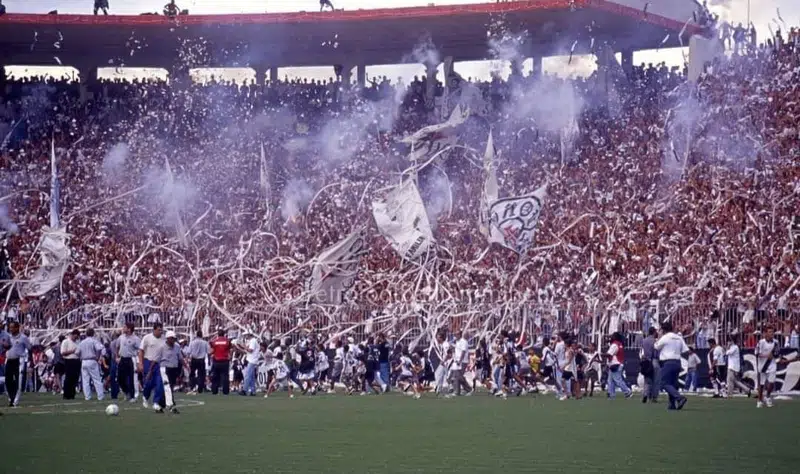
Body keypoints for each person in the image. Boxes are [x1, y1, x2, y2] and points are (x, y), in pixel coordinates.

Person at [654, 321, 689, 411]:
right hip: (677, 361)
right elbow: (685, 350)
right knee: (672, 384)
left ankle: (679, 398)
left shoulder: (665, 338)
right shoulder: (679, 337)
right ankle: (672, 404)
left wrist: (659, 336)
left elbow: (656, 347)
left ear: (664, 330)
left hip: (667, 362)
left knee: (664, 383)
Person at [139, 322, 167, 413]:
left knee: (159, 383)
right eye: (159, 330)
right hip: (148, 361)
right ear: (154, 330)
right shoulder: (147, 338)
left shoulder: (164, 339)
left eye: (161, 329)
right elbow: (141, 351)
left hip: (159, 363)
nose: (160, 331)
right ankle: (145, 396)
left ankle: (156, 402)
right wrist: (141, 363)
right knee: (149, 382)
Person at [3, 321, 31, 407]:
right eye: (10, 327)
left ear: (17, 328)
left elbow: (29, 348)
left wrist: (30, 363)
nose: (10, 329)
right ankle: (11, 397)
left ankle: (15, 400)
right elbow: (6, 346)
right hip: (9, 360)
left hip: (19, 360)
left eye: (12, 327)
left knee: (18, 381)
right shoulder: (8, 336)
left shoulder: (23, 338)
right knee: (8, 380)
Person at [755, 326, 783, 408]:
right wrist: (766, 356)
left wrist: (778, 357)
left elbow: (777, 353)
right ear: (766, 333)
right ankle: (759, 400)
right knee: (762, 384)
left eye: (772, 332)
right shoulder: (761, 342)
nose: (771, 333)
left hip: (772, 364)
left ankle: (767, 396)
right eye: (770, 332)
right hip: (762, 365)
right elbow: (756, 353)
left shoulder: (776, 342)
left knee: (771, 382)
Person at [78, 328, 106, 401]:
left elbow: (77, 352)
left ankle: (87, 397)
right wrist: (97, 357)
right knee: (96, 379)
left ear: (86, 334)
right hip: (92, 360)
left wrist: (81, 357)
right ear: (93, 334)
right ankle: (100, 396)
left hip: (84, 361)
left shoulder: (82, 342)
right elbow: (99, 349)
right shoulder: (94, 341)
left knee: (85, 380)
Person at [116, 322, 140, 402]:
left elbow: (139, 350)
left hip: (131, 359)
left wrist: (138, 362)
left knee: (132, 379)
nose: (123, 328)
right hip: (122, 359)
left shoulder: (136, 339)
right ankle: (127, 392)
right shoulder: (121, 337)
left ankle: (133, 396)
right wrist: (117, 356)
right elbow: (117, 346)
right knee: (119, 378)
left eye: (125, 327)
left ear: (129, 329)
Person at [160, 331, 183, 414]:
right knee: (168, 387)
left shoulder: (177, 346)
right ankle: (171, 405)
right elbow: (157, 358)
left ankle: (160, 404)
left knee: (170, 387)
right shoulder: (162, 347)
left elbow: (180, 358)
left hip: (174, 368)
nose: (174, 340)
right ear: (168, 338)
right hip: (165, 368)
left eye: (174, 338)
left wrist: (186, 366)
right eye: (172, 338)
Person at [605, 332, 632, 399]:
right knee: (610, 380)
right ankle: (611, 395)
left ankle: (627, 392)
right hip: (617, 364)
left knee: (618, 380)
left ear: (615, 337)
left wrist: (600, 354)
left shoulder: (615, 345)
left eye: (612, 336)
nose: (610, 337)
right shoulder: (619, 344)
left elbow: (609, 354)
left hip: (615, 364)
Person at [640, 327, 660, 403]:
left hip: (646, 360)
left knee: (647, 380)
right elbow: (656, 352)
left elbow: (642, 351)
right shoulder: (655, 341)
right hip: (654, 360)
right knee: (656, 380)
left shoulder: (644, 340)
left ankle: (645, 394)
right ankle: (654, 397)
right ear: (654, 332)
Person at [450, 329, 472, 396]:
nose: (455, 336)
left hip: (462, 361)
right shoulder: (457, 341)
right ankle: (458, 391)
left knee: (459, 376)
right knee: (457, 376)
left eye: (456, 334)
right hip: (457, 361)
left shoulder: (463, 342)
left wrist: (460, 361)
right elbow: (457, 350)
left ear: (460, 334)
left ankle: (468, 389)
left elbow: (463, 352)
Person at [210, 328, 232, 395]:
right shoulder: (227, 341)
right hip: (225, 361)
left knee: (215, 376)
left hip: (216, 361)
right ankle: (225, 391)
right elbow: (229, 348)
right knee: (225, 376)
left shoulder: (214, 341)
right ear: (224, 334)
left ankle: (214, 390)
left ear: (218, 334)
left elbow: (212, 349)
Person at [60, 329, 81, 399]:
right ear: (72, 335)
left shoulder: (78, 342)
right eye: (75, 337)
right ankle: (66, 394)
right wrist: (72, 351)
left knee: (75, 378)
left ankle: (72, 394)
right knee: (68, 378)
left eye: (77, 337)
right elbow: (63, 353)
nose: (76, 338)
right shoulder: (66, 342)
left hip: (77, 361)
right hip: (69, 361)